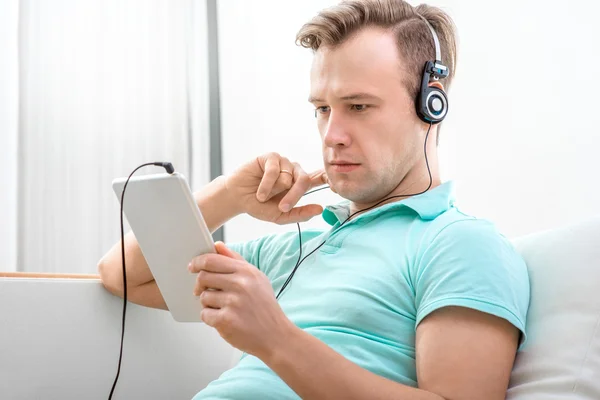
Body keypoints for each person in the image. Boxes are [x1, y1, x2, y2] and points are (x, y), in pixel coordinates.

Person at [98, 1, 530, 399]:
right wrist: (229, 195)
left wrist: (274, 337)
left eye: (358, 106)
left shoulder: (461, 244)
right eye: (322, 109)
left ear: (430, 105)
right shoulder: (296, 247)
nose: (331, 136)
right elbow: (121, 274)